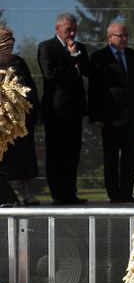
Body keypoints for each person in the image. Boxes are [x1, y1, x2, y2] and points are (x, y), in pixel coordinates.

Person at [88, 23, 134, 203]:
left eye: (126, 35)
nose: (124, 38)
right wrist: (96, 115)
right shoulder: (99, 57)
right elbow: (94, 88)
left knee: (130, 157)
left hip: (132, 116)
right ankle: (113, 193)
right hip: (110, 117)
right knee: (111, 157)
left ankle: (126, 192)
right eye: (120, 35)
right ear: (110, 37)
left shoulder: (133, 56)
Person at [37, 13, 90, 205]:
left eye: (74, 29)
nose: (72, 33)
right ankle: (58, 194)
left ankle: (71, 193)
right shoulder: (46, 47)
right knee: (56, 153)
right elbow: (50, 74)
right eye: (68, 29)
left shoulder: (80, 48)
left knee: (72, 153)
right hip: (56, 110)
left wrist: (76, 56)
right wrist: (71, 60)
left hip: (75, 110)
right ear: (57, 28)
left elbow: (88, 71)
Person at [0, 26, 40, 206]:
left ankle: (27, 195)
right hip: (3, 124)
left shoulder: (18, 62)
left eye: (12, 41)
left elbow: (30, 88)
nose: (11, 45)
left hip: (21, 121)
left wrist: (32, 112)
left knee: (25, 159)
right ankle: (7, 196)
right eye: (7, 41)